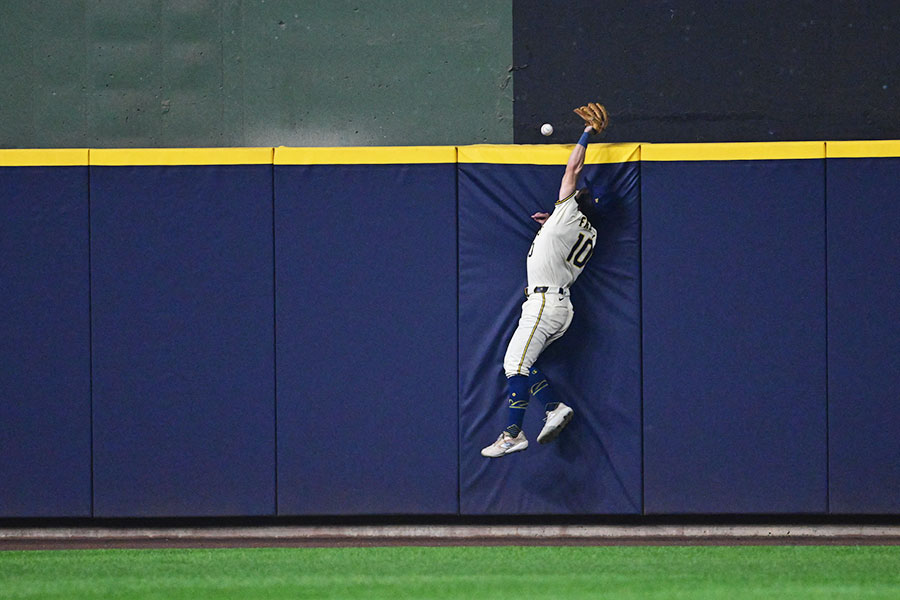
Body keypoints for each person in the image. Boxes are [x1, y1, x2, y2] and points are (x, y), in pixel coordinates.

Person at [481, 121, 600, 458]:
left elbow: (573, 166)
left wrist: (587, 132)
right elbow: (566, 236)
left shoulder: (568, 212)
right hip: (559, 306)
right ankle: (549, 410)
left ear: (578, 202)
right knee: (518, 362)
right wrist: (551, 226)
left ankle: (514, 433)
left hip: (544, 304)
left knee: (515, 363)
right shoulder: (588, 232)